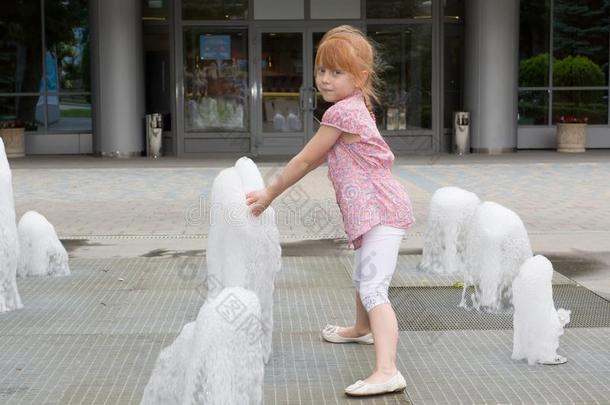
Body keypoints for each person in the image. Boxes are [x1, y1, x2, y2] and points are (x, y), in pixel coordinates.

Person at [246, 25, 414, 397]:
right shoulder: (355, 108)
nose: (325, 79)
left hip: (382, 212)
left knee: (373, 288)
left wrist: (269, 193)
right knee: (362, 276)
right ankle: (361, 328)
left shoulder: (343, 114)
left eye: (337, 72)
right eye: (322, 70)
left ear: (361, 78)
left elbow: (306, 160)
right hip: (373, 212)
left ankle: (387, 370)